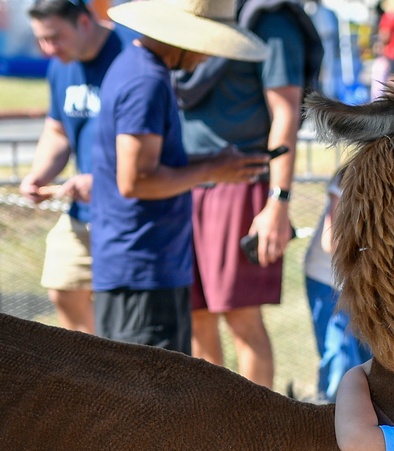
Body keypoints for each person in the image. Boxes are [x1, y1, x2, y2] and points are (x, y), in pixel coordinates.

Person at [90, 0, 271, 354]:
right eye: (208, 44)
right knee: (147, 396)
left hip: (144, 266)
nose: (208, 57)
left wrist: (213, 161)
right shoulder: (147, 81)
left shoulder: (139, 68)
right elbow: (136, 180)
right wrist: (211, 169)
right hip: (142, 271)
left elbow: (149, 163)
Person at [173, 0, 322, 387]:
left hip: (242, 182)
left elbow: (286, 113)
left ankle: (253, 433)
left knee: (241, 317)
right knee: (196, 316)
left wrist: (279, 200)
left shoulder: (269, 19)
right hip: (184, 183)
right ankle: (212, 426)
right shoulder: (194, 15)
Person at [21, 0, 126, 334]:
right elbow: (58, 130)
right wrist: (40, 172)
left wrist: (106, 181)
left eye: (55, 37)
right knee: (63, 288)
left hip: (132, 215)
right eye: (41, 39)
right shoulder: (61, 67)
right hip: (82, 212)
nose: (48, 49)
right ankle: (94, 376)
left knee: (125, 314)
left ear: (83, 22)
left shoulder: (131, 54)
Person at [303, 170, 371, 402]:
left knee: (371, 362)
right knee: (340, 359)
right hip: (329, 282)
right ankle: (327, 419)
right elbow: (331, 241)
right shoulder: (351, 175)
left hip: (369, 288)